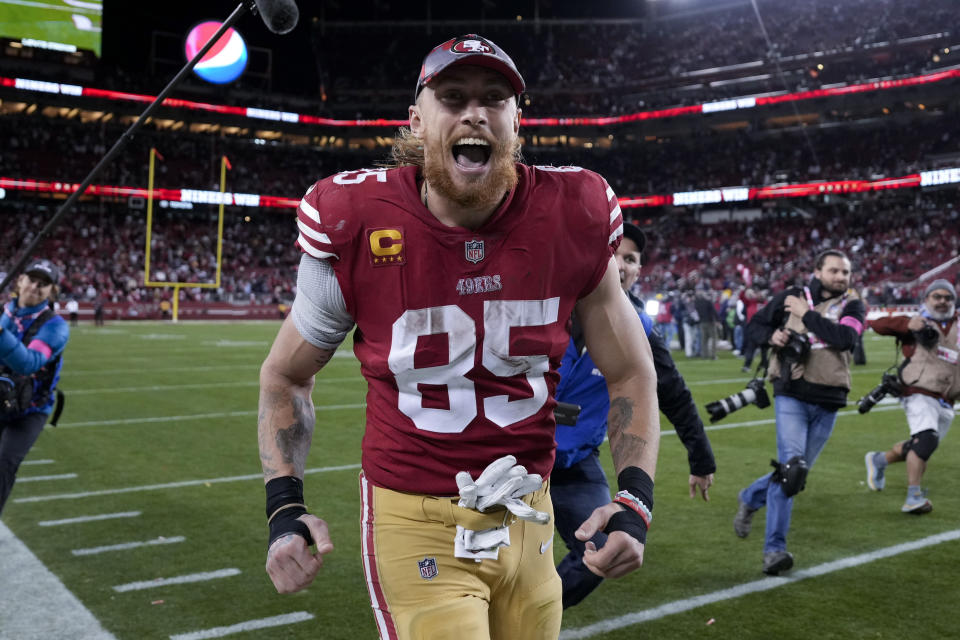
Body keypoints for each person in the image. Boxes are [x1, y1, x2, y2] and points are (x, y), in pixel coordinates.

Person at [257, 34, 660, 640]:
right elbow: (286, 374)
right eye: (453, 96)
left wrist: (634, 501)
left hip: (531, 511)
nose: (475, 111)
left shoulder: (573, 211)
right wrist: (284, 508)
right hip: (414, 517)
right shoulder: (354, 218)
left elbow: (629, 370)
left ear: (516, 122)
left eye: (494, 98)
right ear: (418, 122)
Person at [552, 222, 716, 609]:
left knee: (607, 547)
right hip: (511, 460)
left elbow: (674, 395)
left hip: (575, 464)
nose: (619, 265)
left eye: (630, 259)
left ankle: (528, 617)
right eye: (611, 254)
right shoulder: (538, 310)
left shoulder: (640, 330)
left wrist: (701, 458)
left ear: (639, 271)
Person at [732, 249, 865, 575]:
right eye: (834, 270)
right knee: (791, 471)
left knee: (794, 475)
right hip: (791, 393)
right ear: (817, 271)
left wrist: (806, 316)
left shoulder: (853, 304)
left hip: (830, 398)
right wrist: (771, 335)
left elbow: (846, 338)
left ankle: (750, 496)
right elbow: (755, 326)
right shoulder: (792, 295)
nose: (840, 277)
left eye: (845, 272)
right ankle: (774, 551)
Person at [864, 279, 959, 514]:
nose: (942, 301)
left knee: (921, 445)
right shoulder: (917, 321)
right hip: (918, 391)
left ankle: (879, 460)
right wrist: (908, 324)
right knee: (926, 441)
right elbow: (876, 324)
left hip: (947, 398)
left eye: (947, 297)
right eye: (936, 296)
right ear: (926, 299)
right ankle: (913, 497)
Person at [0, 259, 70, 515]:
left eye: (44, 284)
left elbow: (30, 363)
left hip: (29, 410)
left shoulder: (55, 326)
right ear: (19, 280)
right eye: (31, 279)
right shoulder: (3, 312)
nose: (35, 287)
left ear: (52, 291)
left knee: (4, 464)